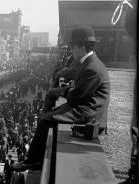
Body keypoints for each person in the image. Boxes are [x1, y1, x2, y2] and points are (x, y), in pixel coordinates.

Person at [13, 26, 110, 171]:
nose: (71, 51)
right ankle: (34, 158)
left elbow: (74, 97)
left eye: (73, 47)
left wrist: (65, 91)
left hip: (89, 112)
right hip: (86, 106)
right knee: (45, 116)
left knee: (44, 120)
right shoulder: (89, 63)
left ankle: (33, 161)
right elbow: (75, 90)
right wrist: (69, 90)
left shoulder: (91, 67)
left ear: (82, 47)